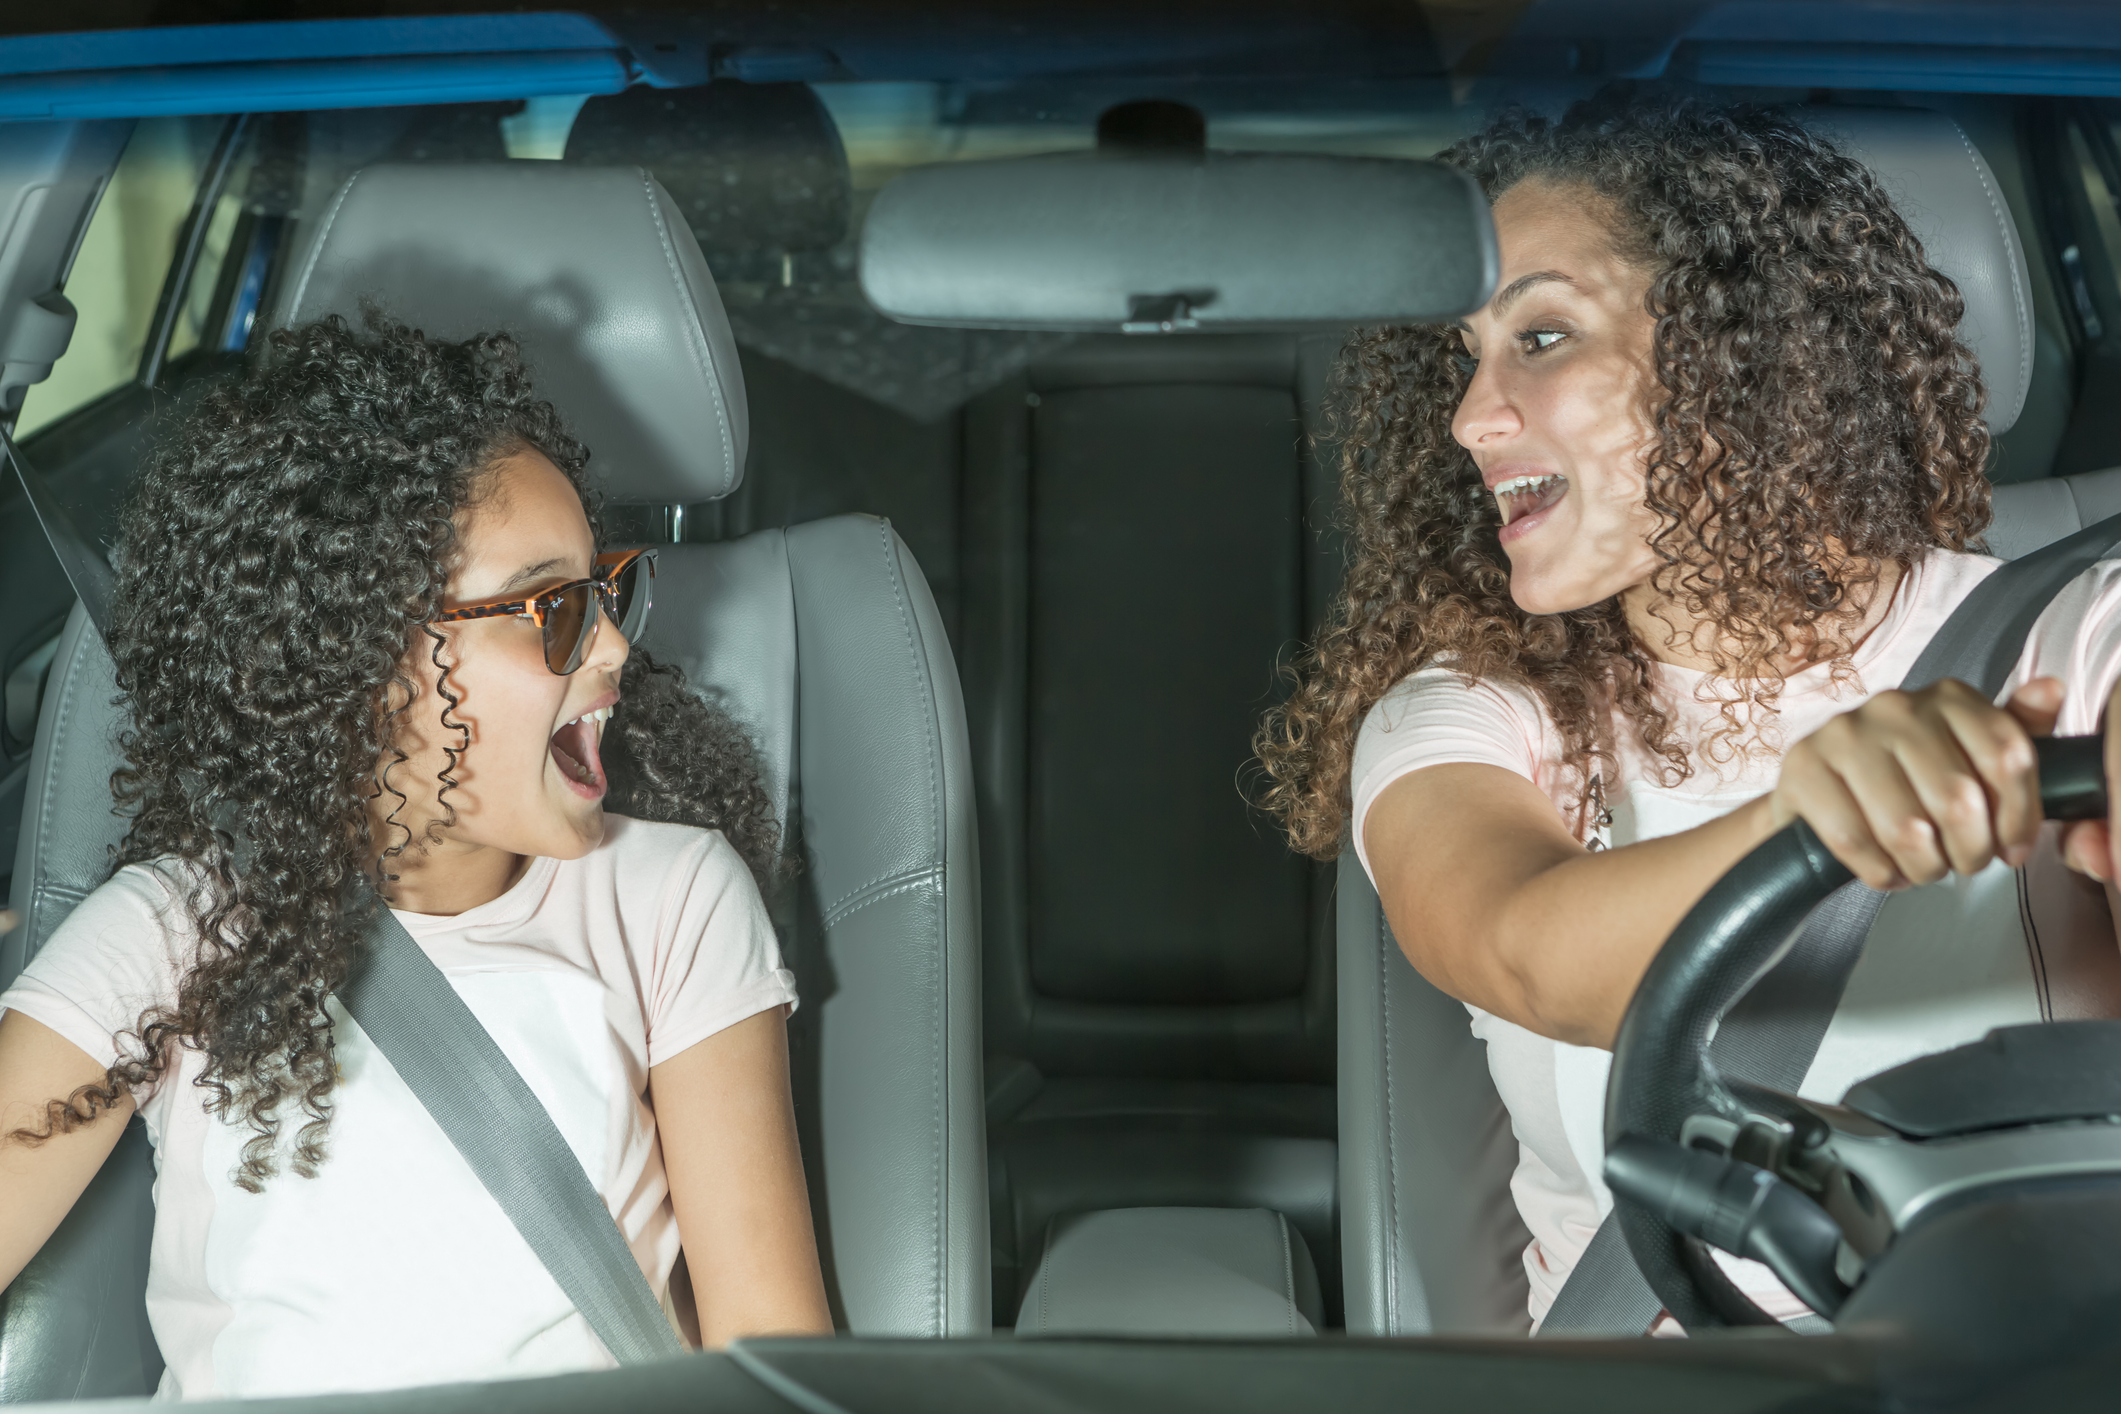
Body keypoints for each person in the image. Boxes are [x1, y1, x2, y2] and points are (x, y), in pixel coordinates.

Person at [1258, 92, 2121, 1329]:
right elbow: (1522, 946)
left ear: (1744, 344)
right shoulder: (1466, 714)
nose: (1468, 416)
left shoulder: (2068, 633)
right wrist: (1805, 822)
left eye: (1540, 338)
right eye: (1466, 359)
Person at [0, 315, 832, 1398]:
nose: (618, 646)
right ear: (365, 658)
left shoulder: (670, 898)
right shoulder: (171, 928)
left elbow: (773, 1357)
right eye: (554, 609)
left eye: (606, 588)